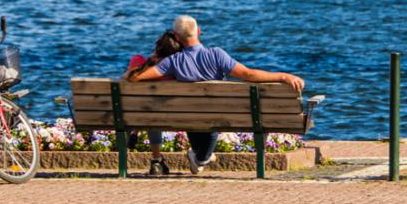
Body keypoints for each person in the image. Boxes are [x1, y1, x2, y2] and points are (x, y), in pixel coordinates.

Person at [128, 15, 304, 175]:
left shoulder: (173, 61)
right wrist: (283, 76)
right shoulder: (217, 55)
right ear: (198, 31)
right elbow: (249, 75)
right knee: (205, 148)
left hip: (188, 119)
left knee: (199, 136)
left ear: (177, 37)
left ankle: (198, 157)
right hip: (217, 118)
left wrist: (152, 60)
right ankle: (199, 158)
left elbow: (134, 77)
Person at [123, 30, 182, 176]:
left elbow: (125, 78)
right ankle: (156, 160)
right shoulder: (176, 70)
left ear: (157, 48)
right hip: (172, 115)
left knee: (148, 109)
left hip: (134, 113)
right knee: (154, 111)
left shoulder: (138, 62)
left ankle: (138, 135)